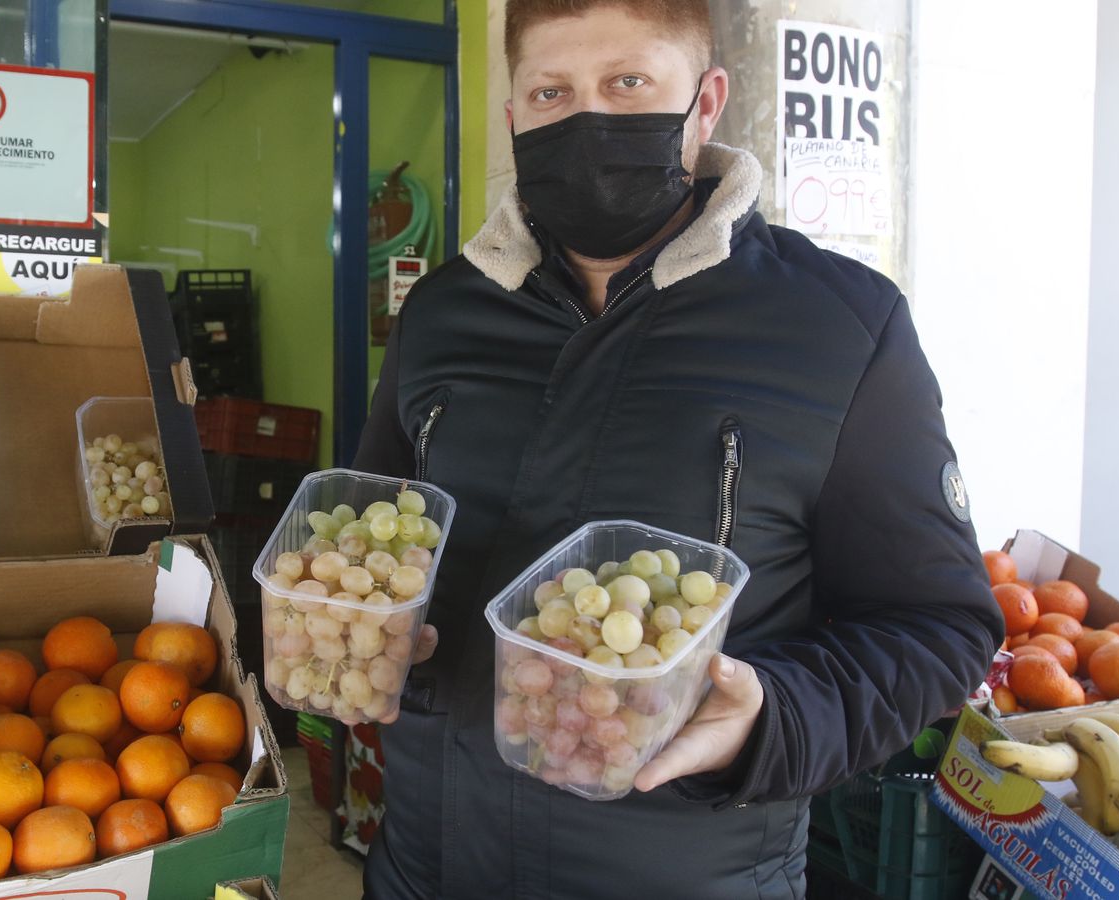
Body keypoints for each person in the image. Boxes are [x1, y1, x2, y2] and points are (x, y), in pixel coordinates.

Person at [351, 1, 1005, 897]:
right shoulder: (442, 313)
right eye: (551, 91)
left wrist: (772, 718)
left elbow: (936, 625)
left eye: (629, 83)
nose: (587, 121)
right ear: (513, 118)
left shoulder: (842, 329)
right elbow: (377, 541)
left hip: (692, 871)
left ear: (706, 102)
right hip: (429, 863)